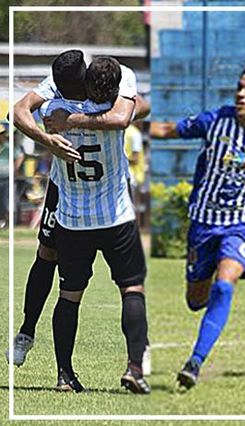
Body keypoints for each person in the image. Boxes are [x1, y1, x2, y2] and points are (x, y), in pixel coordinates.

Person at [150, 66, 245, 390]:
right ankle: (204, 300)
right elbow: (167, 130)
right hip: (204, 222)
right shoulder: (216, 120)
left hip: (244, 223)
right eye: (239, 88)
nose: (241, 94)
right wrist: (127, 124)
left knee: (225, 285)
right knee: (195, 299)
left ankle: (194, 362)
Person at [8, 50, 151, 372]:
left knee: (65, 278)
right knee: (46, 254)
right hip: (67, 190)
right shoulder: (60, 89)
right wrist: (47, 140)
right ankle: (26, 333)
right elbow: (17, 112)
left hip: (83, 194)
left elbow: (126, 115)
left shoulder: (86, 97)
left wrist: (69, 122)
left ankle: (60, 364)